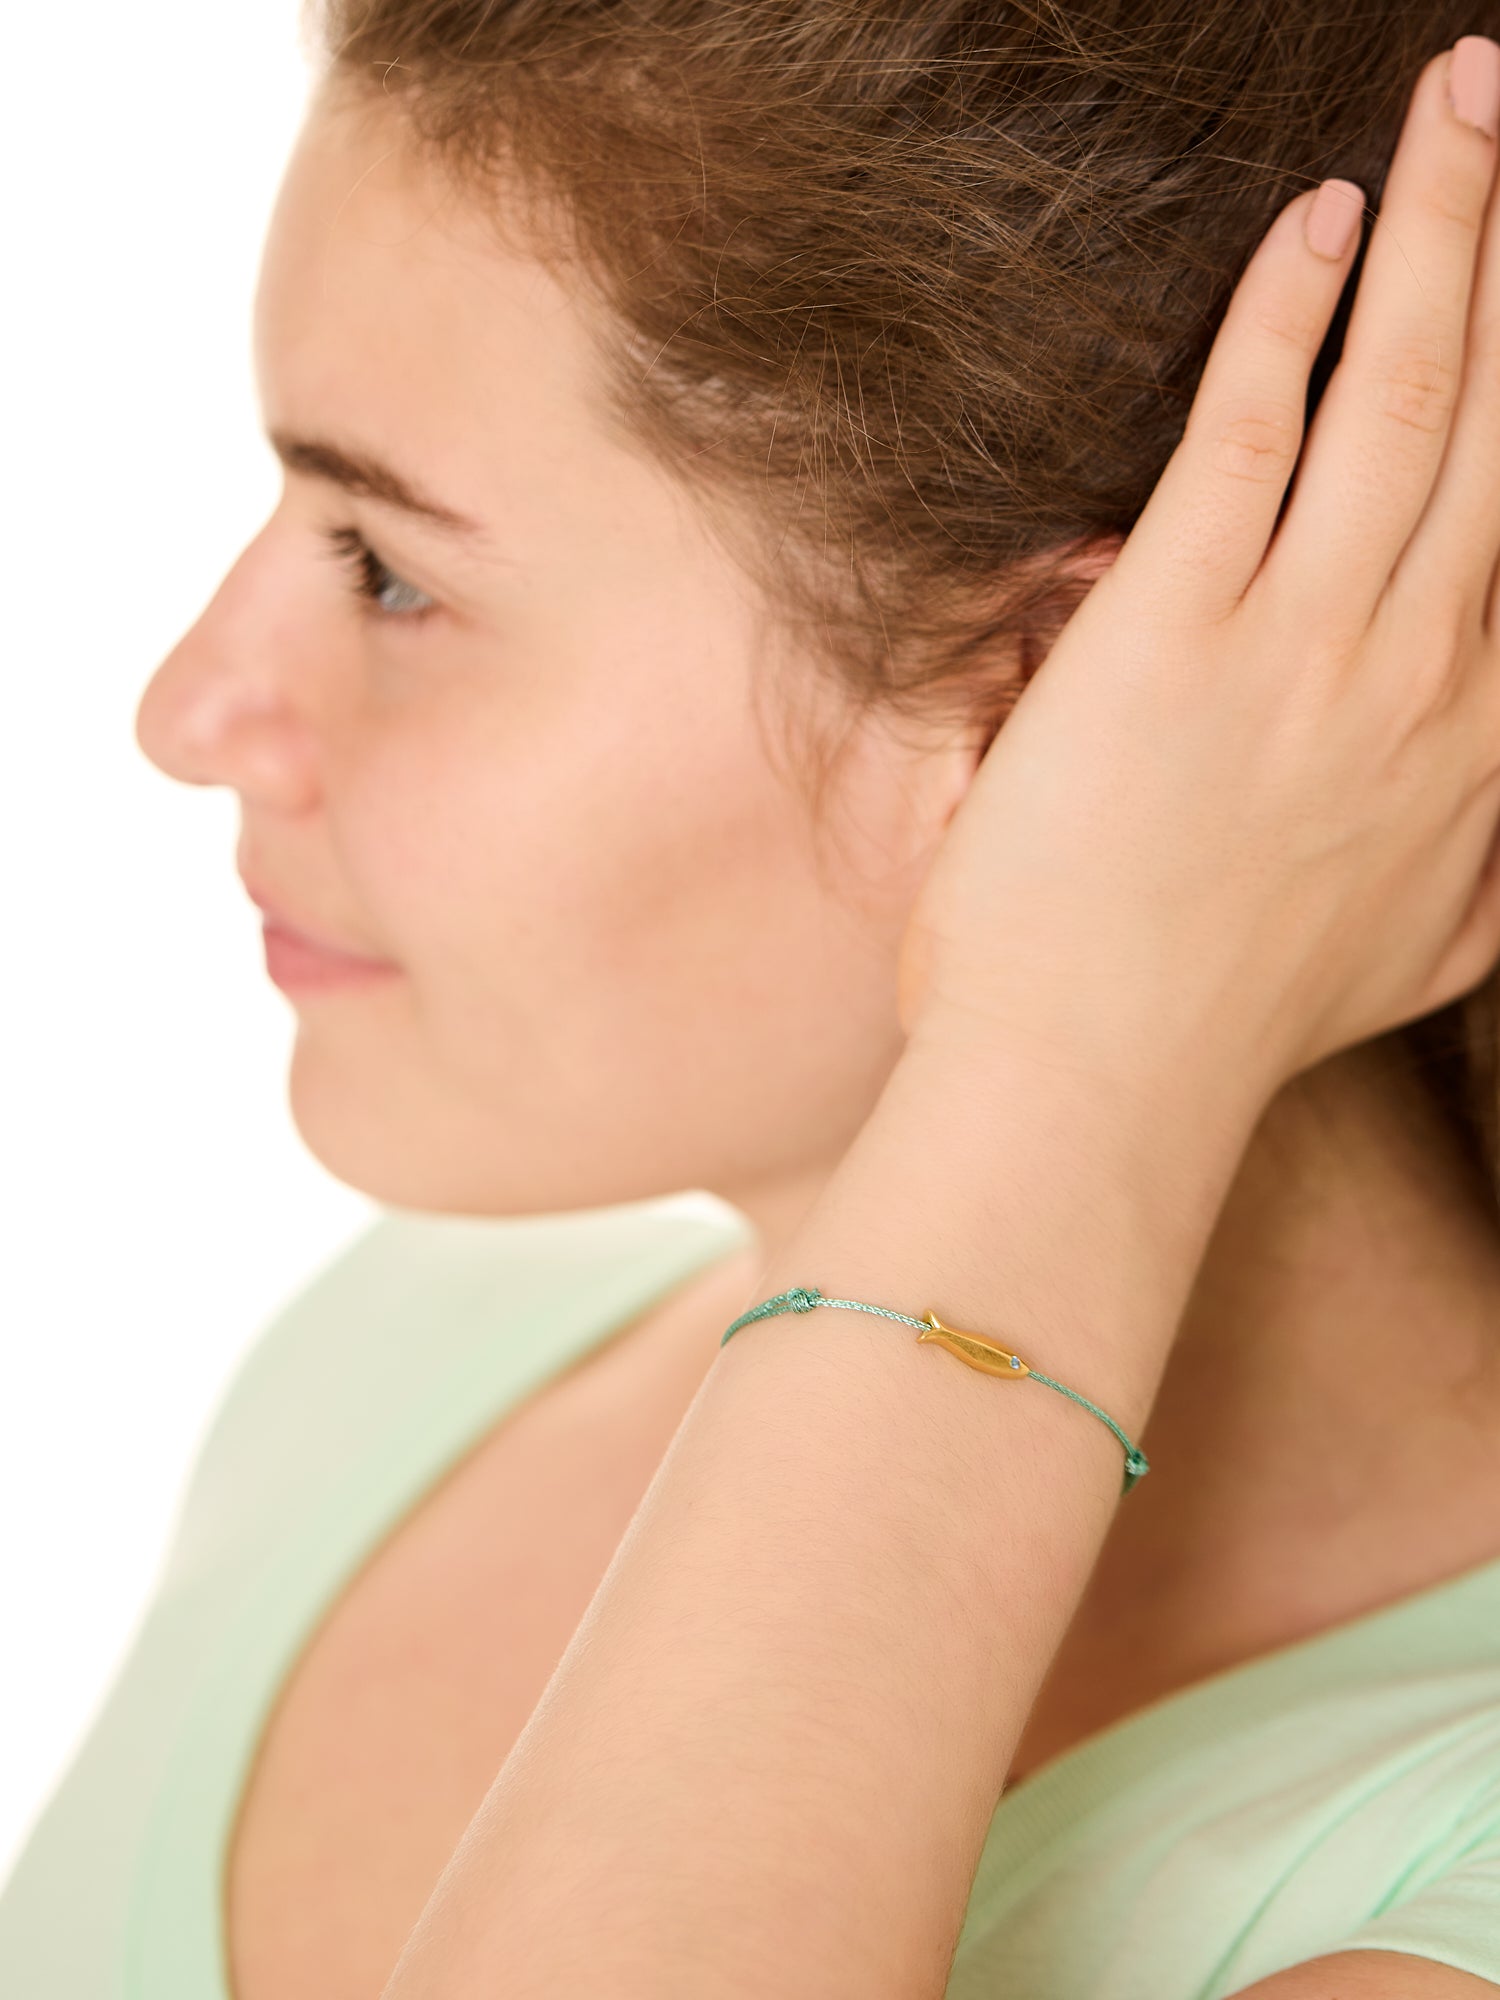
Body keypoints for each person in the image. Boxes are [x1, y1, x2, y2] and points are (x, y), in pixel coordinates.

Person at [3, 4, 1500, 1996]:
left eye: (387, 570)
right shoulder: (414, 1355)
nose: (188, 713)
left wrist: (1074, 1057)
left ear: (1072, 691)